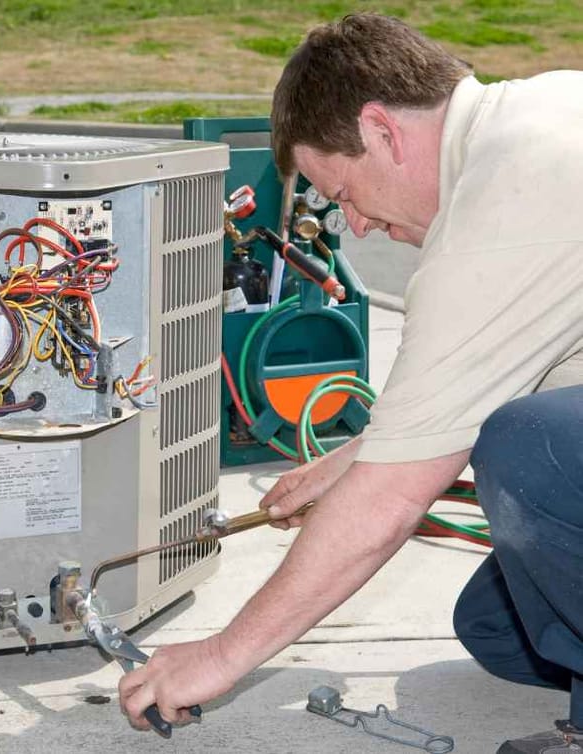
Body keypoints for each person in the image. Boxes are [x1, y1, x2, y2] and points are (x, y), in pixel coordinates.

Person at [118, 13, 583, 753]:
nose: (355, 226)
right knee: (500, 630)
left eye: (344, 191)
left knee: (530, 449)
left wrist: (221, 655)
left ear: (383, 131)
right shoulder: (540, 114)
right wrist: (357, 457)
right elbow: (501, 371)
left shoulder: (508, 194)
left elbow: (396, 497)